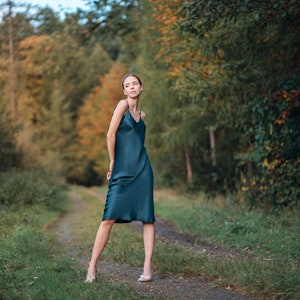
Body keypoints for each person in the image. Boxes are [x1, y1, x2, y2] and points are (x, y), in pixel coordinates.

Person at [85, 74, 155, 283]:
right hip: (122, 170)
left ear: (141, 88)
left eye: (135, 84)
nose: (132, 87)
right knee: (108, 218)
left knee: (147, 217)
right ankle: (92, 267)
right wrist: (112, 162)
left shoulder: (142, 115)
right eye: (127, 85)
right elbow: (110, 134)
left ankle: (147, 268)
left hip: (143, 170)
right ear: (124, 91)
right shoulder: (122, 105)